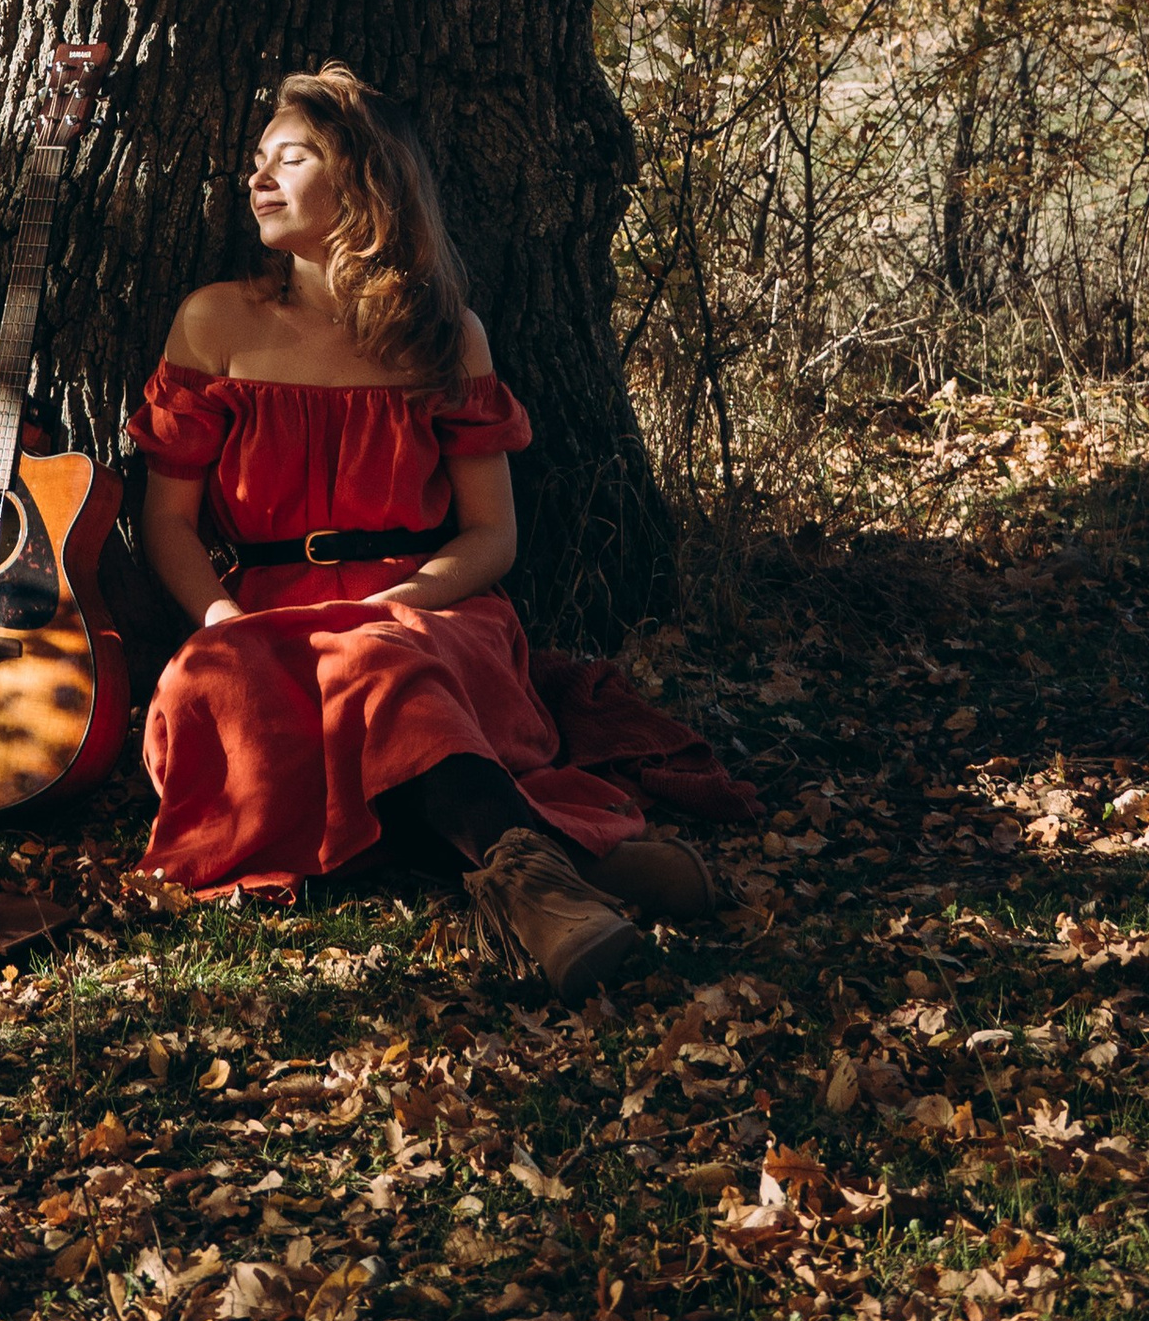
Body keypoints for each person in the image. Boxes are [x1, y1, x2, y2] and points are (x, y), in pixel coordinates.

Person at [128, 65, 757, 998]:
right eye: (255, 161)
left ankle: (535, 895)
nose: (257, 180)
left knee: (387, 664)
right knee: (212, 686)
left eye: (289, 158)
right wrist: (220, 621)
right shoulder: (216, 321)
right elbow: (167, 523)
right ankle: (557, 859)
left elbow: (490, 535)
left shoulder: (442, 333)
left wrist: (402, 600)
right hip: (259, 622)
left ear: (365, 180)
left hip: (429, 607)